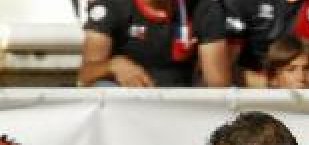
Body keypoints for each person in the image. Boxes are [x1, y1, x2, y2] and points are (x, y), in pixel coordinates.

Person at [79, 0, 231, 87]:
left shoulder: (203, 5)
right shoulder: (111, 4)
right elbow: (85, 76)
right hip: (126, 103)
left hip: (182, 101)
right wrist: (112, 66)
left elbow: (218, 86)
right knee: (103, 86)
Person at [221, 0, 309, 88]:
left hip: (304, 88)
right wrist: (271, 84)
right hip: (251, 92)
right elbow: (224, 67)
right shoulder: (241, 3)